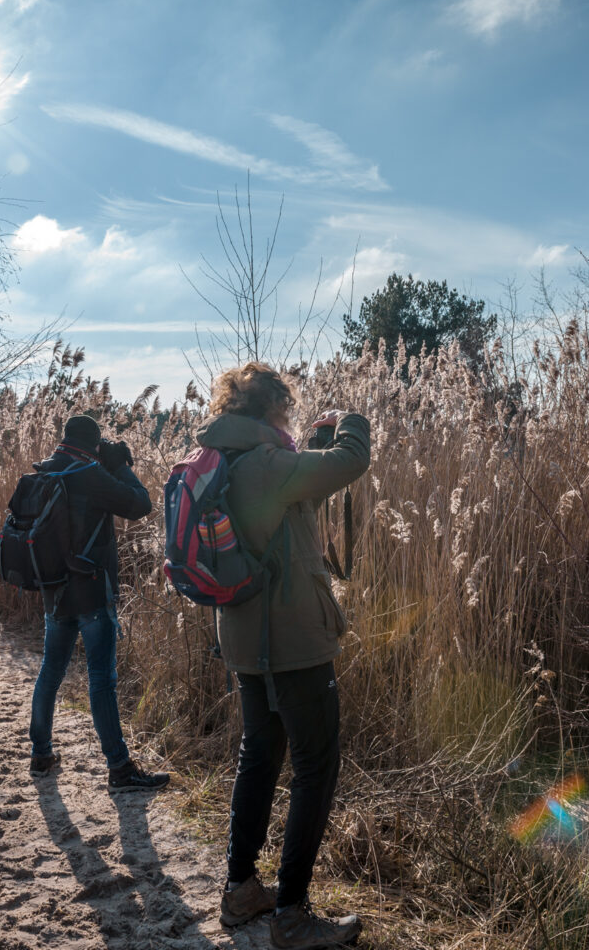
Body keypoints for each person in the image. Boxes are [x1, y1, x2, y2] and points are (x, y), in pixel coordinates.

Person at [198, 363, 371, 950]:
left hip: (247, 641)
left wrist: (311, 453)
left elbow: (288, 518)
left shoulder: (233, 462)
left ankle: (241, 888)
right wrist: (352, 423)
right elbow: (351, 463)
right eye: (288, 411)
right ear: (271, 409)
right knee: (315, 767)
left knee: (260, 756)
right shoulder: (269, 464)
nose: (292, 420)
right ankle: (292, 915)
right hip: (293, 642)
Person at [28, 413, 169, 793]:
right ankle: (120, 769)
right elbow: (140, 504)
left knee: (51, 671)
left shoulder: (46, 470)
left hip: (54, 591)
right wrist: (120, 465)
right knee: (101, 680)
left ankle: (40, 754)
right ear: (94, 444)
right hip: (91, 592)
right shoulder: (88, 474)